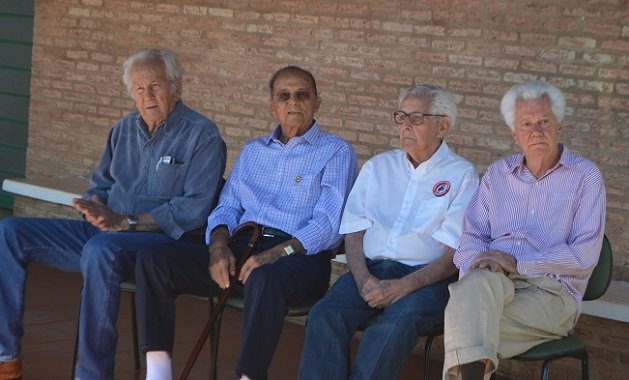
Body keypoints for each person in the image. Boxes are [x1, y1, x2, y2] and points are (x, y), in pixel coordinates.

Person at [0, 48, 226, 380]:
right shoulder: (122, 130)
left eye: (155, 86)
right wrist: (93, 208)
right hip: (105, 234)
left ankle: (92, 374)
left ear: (176, 86)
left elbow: (194, 209)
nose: (147, 95)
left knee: (99, 251)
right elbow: (100, 186)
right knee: (10, 232)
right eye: (138, 88)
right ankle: (6, 356)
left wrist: (127, 222)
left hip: (157, 245)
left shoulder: (202, 134)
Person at [134, 65, 358, 380]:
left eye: (302, 95)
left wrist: (277, 253)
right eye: (284, 96)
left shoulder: (335, 152)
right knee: (153, 259)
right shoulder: (254, 151)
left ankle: (248, 377)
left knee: (266, 278)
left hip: (298, 256)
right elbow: (226, 206)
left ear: (317, 103)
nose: (293, 102)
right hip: (241, 246)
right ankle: (158, 372)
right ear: (272, 105)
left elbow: (329, 224)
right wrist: (218, 247)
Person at [299, 84, 479, 380]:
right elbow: (353, 233)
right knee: (324, 315)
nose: (405, 125)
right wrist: (363, 278)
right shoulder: (378, 167)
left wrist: (404, 286)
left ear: (443, 126)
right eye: (401, 117)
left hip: (427, 279)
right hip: (370, 271)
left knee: (394, 324)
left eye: (417, 117)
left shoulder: (462, 175)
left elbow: (453, 255)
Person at [442, 80, 606, 380]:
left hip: (552, 292)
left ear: (560, 126)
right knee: (472, 303)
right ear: (514, 134)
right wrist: (478, 264)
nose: (536, 131)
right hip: (491, 282)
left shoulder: (585, 177)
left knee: (463, 325)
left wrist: (519, 264)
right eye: (526, 124)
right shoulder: (497, 174)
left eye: (544, 121)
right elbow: (471, 236)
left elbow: (584, 255)